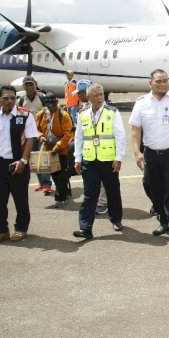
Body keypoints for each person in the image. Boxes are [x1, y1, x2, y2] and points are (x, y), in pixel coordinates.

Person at [130, 70, 169, 243]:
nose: (163, 84)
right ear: (150, 83)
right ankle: (163, 221)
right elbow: (135, 131)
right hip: (151, 153)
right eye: (158, 81)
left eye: (165, 81)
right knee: (151, 186)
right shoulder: (142, 103)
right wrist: (137, 153)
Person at [0, 85, 37, 244]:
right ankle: (0, 231)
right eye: (5, 98)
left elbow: (30, 139)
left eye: (12, 98)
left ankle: (21, 229)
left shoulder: (25, 115)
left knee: (20, 199)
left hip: (18, 163)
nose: (9, 101)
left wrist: (23, 161)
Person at [73, 83, 125, 239]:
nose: (99, 98)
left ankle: (116, 219)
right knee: (90, 194)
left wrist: (118, 158)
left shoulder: (112, 112)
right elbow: (79, 137)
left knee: (112, 191)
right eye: (95, 95)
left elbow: (120, 136)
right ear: (88, 97)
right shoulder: (82, 114)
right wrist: (77, 158)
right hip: (89, 160)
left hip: (108, 159)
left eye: (101, 94)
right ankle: (85, 228)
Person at [35, 92, 73, 208]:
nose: (50, 107)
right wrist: (40, 136)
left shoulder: (63, 115)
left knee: (62, 175)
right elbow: (37, 129)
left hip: (61, 150)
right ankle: (64, 192)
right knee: (54, 174)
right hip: (48, 150)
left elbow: (68, 134)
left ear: (56, 103)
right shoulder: (41, 115)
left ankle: (60, 198)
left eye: (52, 105)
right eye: (48, 105)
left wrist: (58, 146)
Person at [20, 75, 52, 194]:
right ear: (24, 86)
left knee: (43, 157)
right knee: (33, 158)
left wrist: (48, 132)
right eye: (27, 85)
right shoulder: (22, 100)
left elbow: (49, 115)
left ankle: (47, 183)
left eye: (31, 84)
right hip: (29, 134)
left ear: (35, 85)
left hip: (42, 133)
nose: (29, 87)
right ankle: (40, 182)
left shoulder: (42, 97)